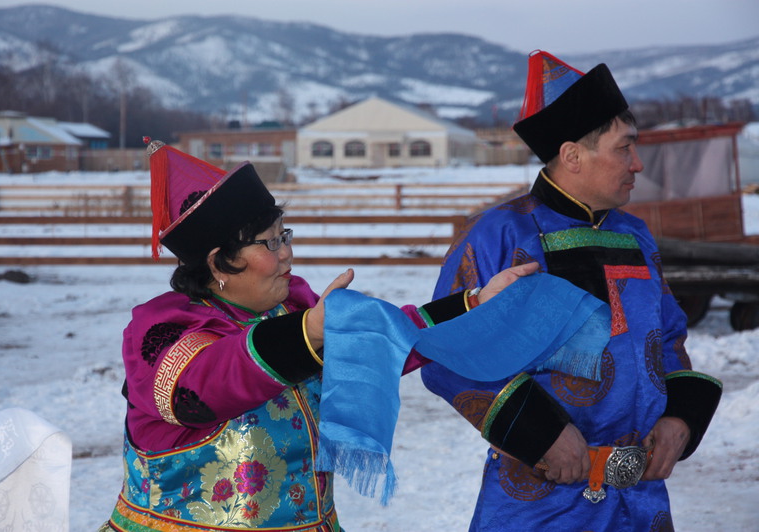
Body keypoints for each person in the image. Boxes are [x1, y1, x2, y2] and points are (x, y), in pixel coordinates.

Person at [99, 138, 549, 532]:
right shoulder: (162, 332)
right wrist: (307, 333)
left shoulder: (291, 307)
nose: (288, 254)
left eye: (285, 235)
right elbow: (207, 384)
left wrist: (473, 305)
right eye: (271, 243)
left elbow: (382, 338)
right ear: (218, 263)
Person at [421, 50, 723, 531]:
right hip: (540, 501)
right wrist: (538, 432)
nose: (638, 164)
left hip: (641, 501)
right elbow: (447, 353)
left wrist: (678, 418)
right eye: (624, 148)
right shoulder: (497, 235)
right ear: (572, 155)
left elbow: (668, 339)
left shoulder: (636, 236)